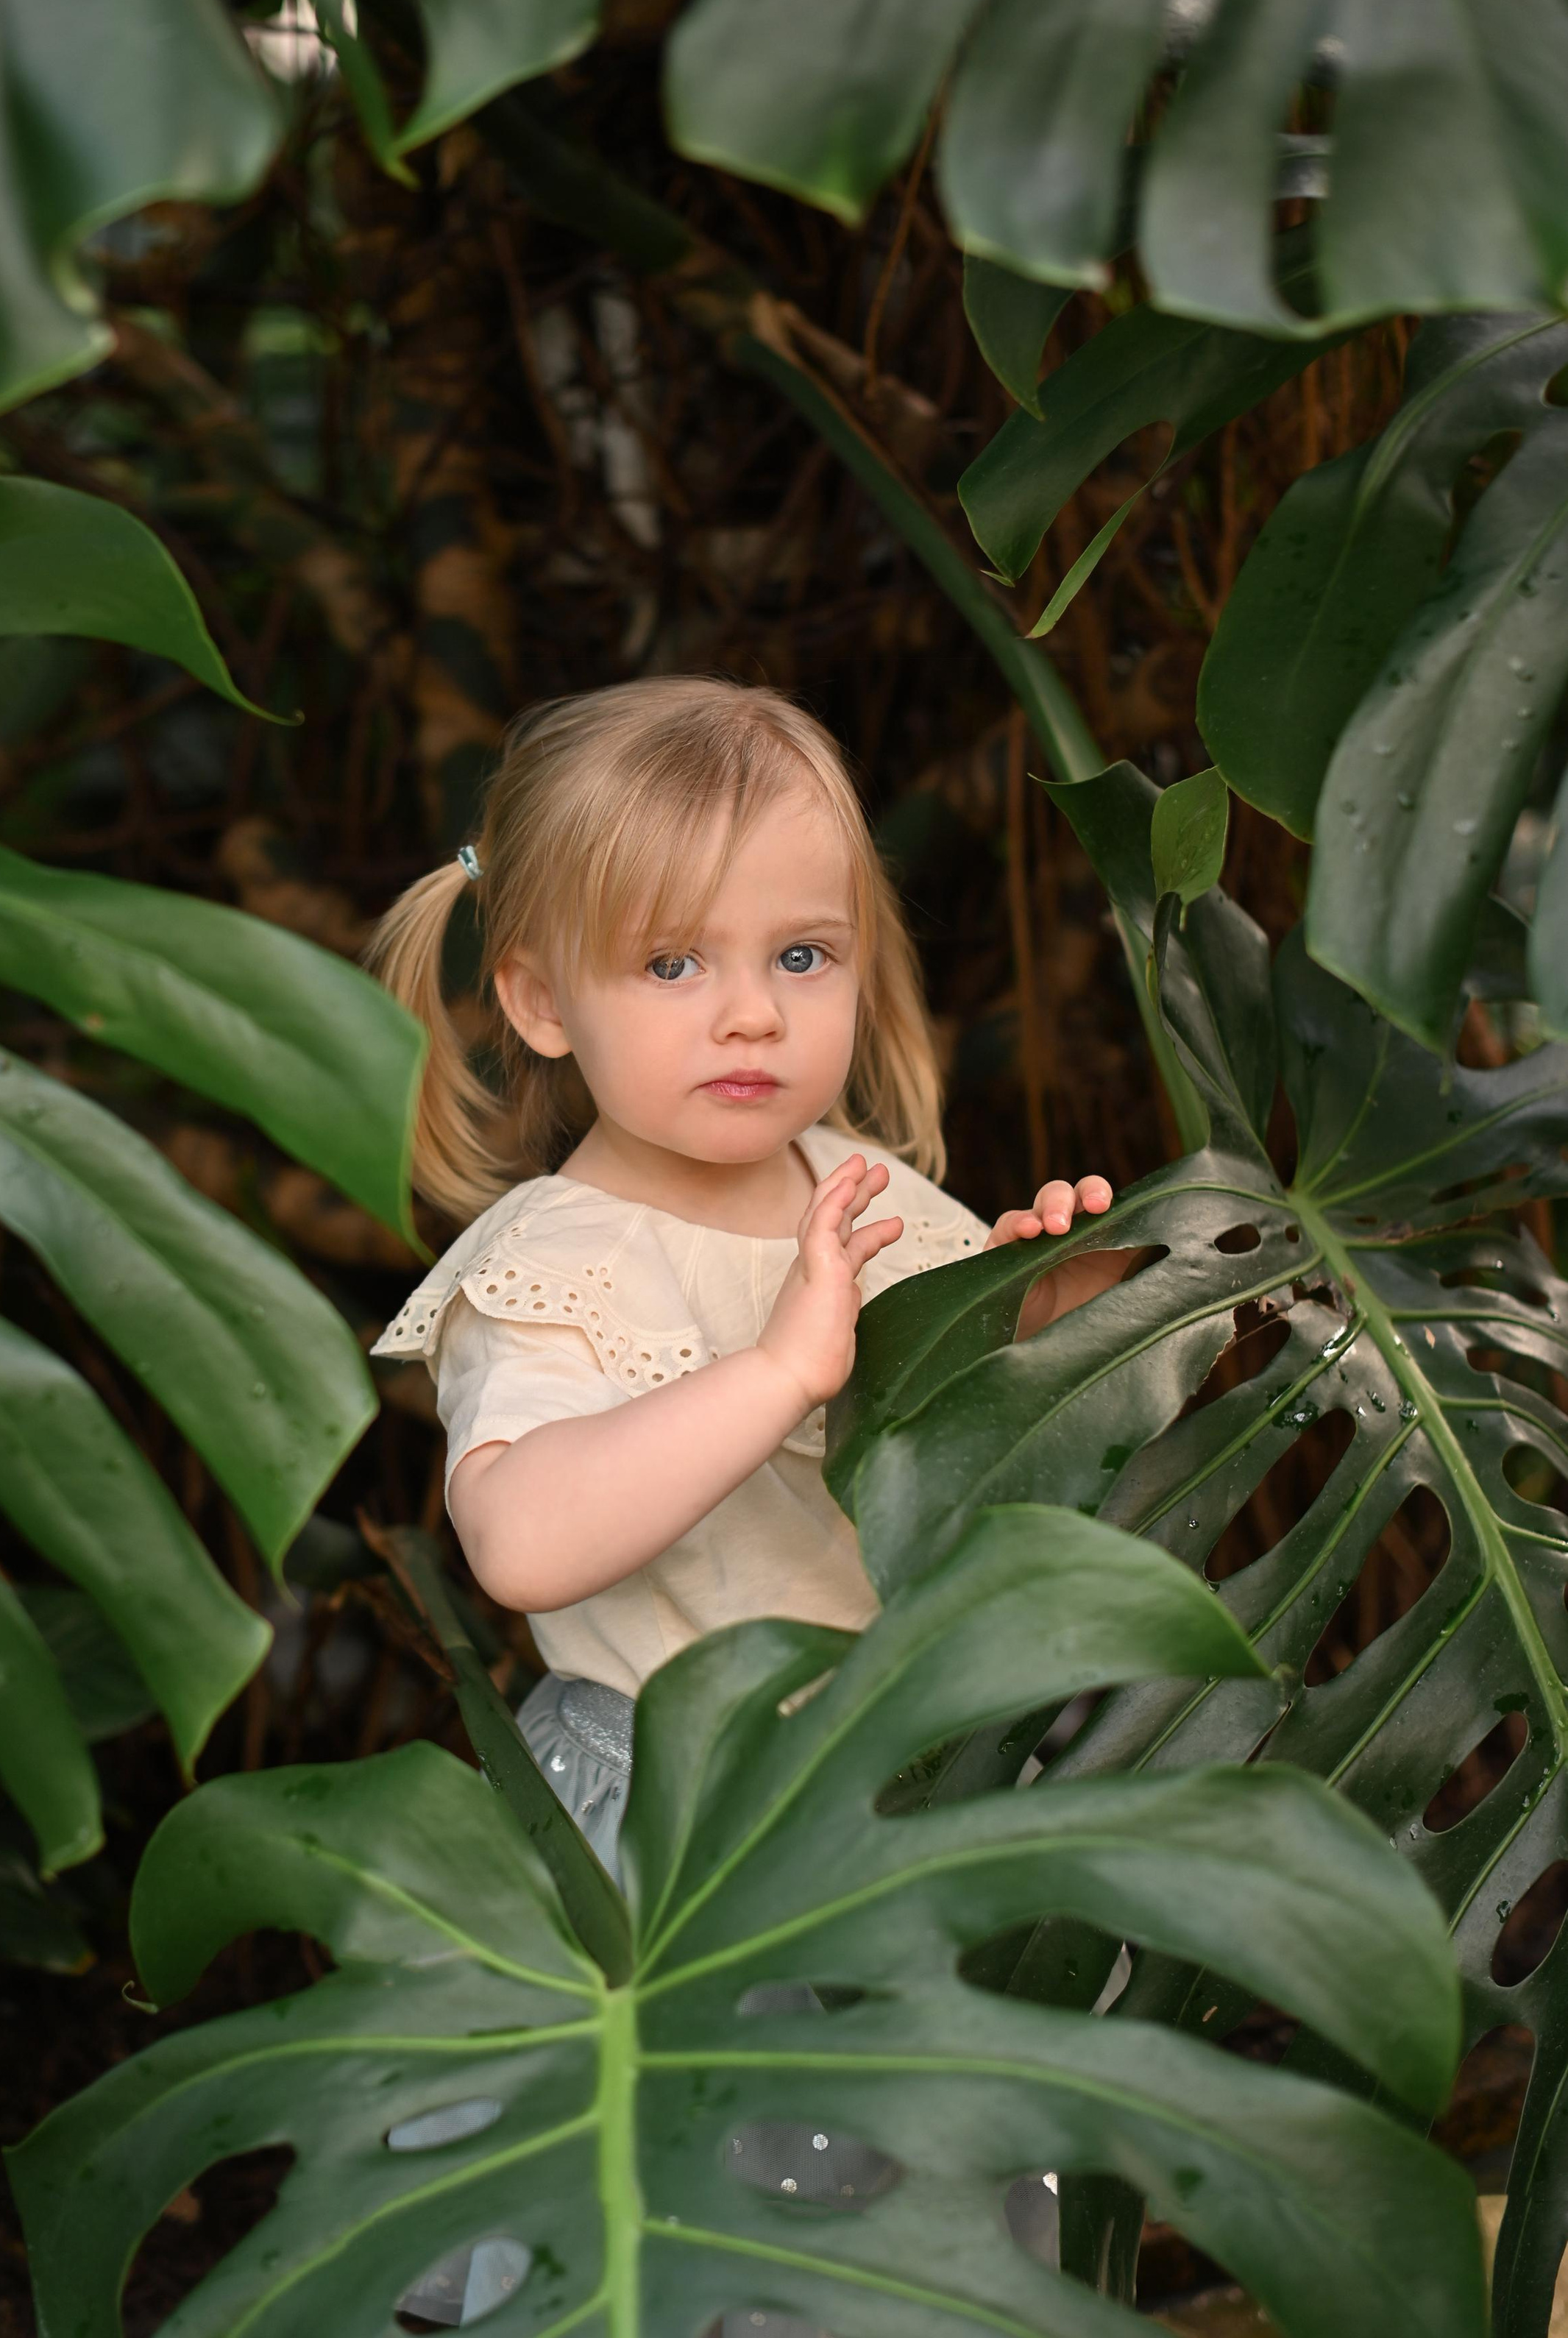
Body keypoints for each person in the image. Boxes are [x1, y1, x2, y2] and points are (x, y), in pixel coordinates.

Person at [369, 677, 1126, 1871]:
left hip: (910, 1779)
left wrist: (1058, 1311)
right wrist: (776, 1372)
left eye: (803, 955)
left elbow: (980, 1440)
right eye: (674, 964)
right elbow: (517, 1542)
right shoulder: (555, 1262)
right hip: (690, 1821)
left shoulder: (865, 1189)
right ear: (540, 1000)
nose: (754, 1015)